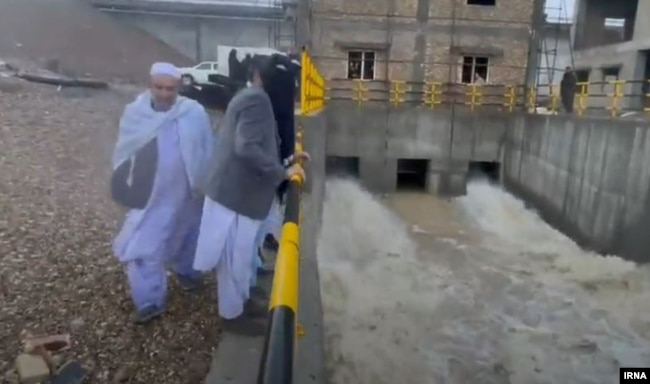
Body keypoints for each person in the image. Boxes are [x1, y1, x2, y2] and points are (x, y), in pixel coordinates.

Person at [193, 55, 307, 336]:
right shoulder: (257, 100)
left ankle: (241, 302)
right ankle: (231, 315)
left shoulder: (251, 96)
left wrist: (289, 159)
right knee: (235, 256)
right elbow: (247, 148)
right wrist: (283, 173)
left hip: (235, 194)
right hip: (236, 196)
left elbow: (257, 146)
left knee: (240, 256)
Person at [111, 62, 214, 324]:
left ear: (178, 88)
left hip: (188, 191)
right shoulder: (135, 113)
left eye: (171, 88)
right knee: (144, 243)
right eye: (159, 87)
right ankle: (150, 301)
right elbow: (124, 150)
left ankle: (188, 273)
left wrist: (207, 183)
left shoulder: (193, 112)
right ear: (150, 85)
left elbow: (207, 149)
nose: (165, 93)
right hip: (151, 194)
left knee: (188, 234)